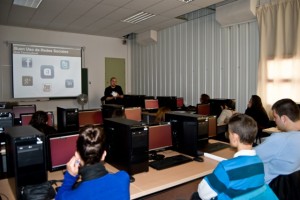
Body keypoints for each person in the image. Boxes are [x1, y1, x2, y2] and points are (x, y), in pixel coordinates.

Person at [194, 114, 265, 200]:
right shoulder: (259, 162)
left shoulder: (226, 168)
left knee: (196, 196)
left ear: (235, 137)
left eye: (229, 133)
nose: (228, 135)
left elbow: (203, 193)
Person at [55, 125, 130, 200]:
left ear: (76, 155)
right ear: (104, 155)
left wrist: (70, 177)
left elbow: (59, 197)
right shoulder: (124, 178)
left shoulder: (72, 197)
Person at [255, 98, 300, 184]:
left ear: (283, 118)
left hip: (266, 186)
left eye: (275, 117)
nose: (274, 120)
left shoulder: (281, 139)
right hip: (291, 188)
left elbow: (250, 156)